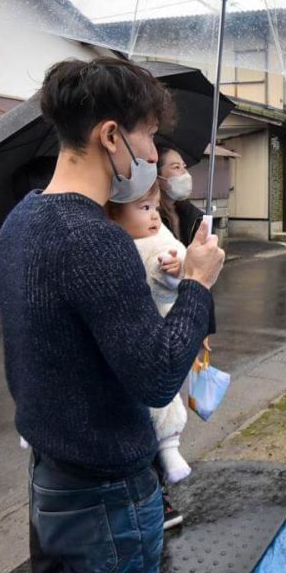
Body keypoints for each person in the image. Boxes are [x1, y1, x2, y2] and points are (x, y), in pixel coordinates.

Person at [0, 57, 225, 573]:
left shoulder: (19, 223)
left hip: (53, 477)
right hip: (109, 491)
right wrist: (198, 288)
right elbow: (155, 375)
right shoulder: (94, 240)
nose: (154, 154)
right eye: (149, 136)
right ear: (111, 136)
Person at [106, 185, 196, 486]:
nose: (154, 216)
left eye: (155, 208)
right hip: (129, 335)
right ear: (113, 212)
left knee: (162, 395)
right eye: (144, 208)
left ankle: (170, 450)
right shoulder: (108, 243)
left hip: (156, 327)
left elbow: (170, 268)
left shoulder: (159, 239)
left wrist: (175, 270)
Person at [156, 142, 208, 244]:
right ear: (158, 178)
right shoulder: (149, 221)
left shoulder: (195, 217)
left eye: (184, 166)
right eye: (176, 167)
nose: (185, 173)